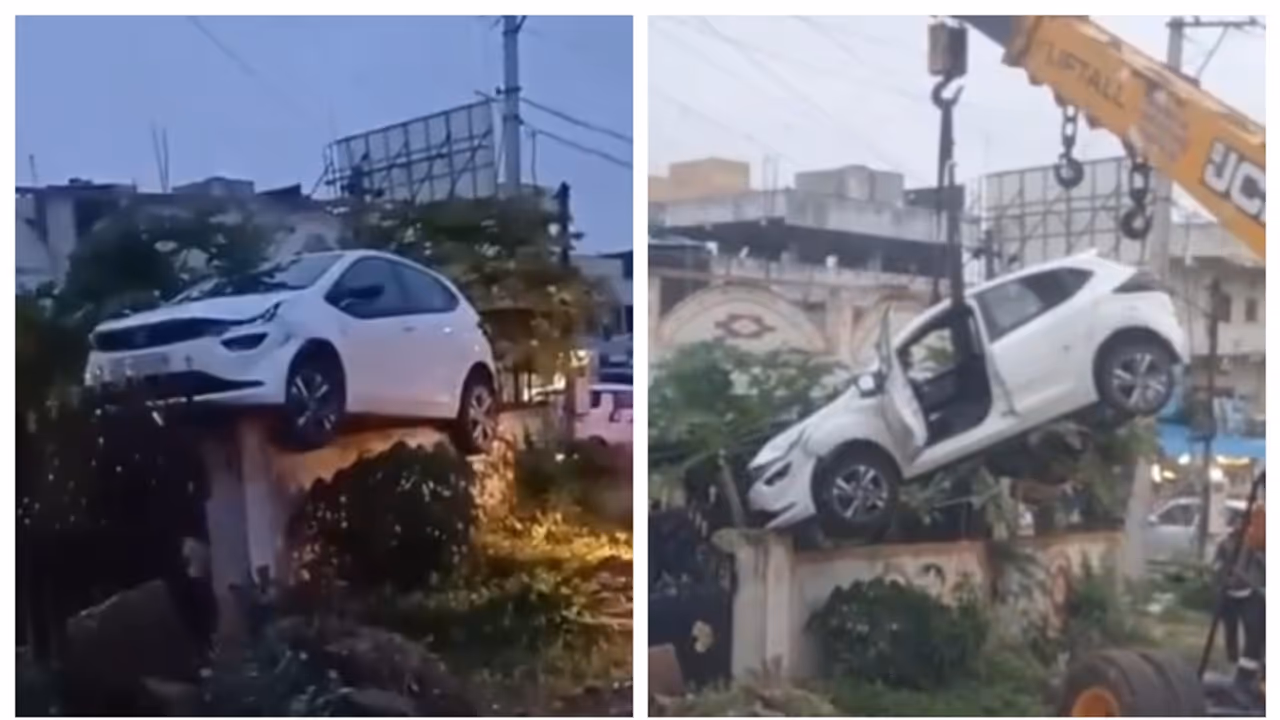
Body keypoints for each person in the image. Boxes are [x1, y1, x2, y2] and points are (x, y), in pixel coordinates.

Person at [1213, 513, 1265, 700]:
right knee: (1231, 631)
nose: (1240, 526)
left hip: (1251, 593)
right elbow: (1217, 565)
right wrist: (1222, 575)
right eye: (1237, 523)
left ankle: (1249, 676)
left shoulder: (1258, 544)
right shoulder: (1225, 543)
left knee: (1255, 634)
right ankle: (1233, 666)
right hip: (1230, 594)